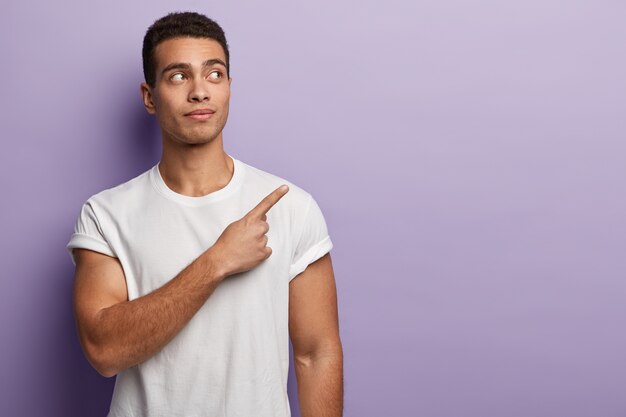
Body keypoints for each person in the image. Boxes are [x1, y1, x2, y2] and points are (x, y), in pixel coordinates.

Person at [66, 11, 343, 417]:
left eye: (214, 74)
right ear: (149, 96)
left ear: (229, 87)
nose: (200, 91)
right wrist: (217, 261)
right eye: (179, 76)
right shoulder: (105, 215)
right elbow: (104, 351)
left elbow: (317, 355)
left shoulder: (290, 205)